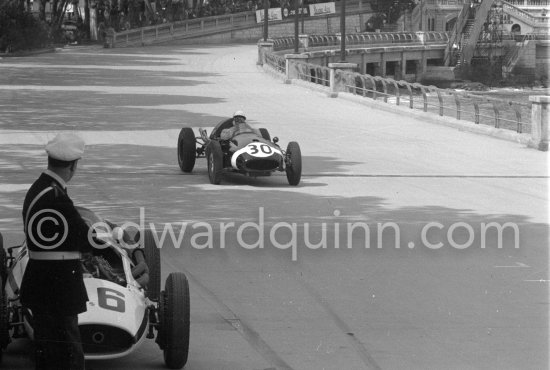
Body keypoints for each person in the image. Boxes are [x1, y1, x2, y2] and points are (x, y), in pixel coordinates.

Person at [20, 133, 92, 370]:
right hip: (58, 285)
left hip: (44, 281)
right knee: (68, 351)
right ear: (73, 166)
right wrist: (106, 238)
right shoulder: (55, 196)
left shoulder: (41, 188)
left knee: (49, 350)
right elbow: (84, 239)